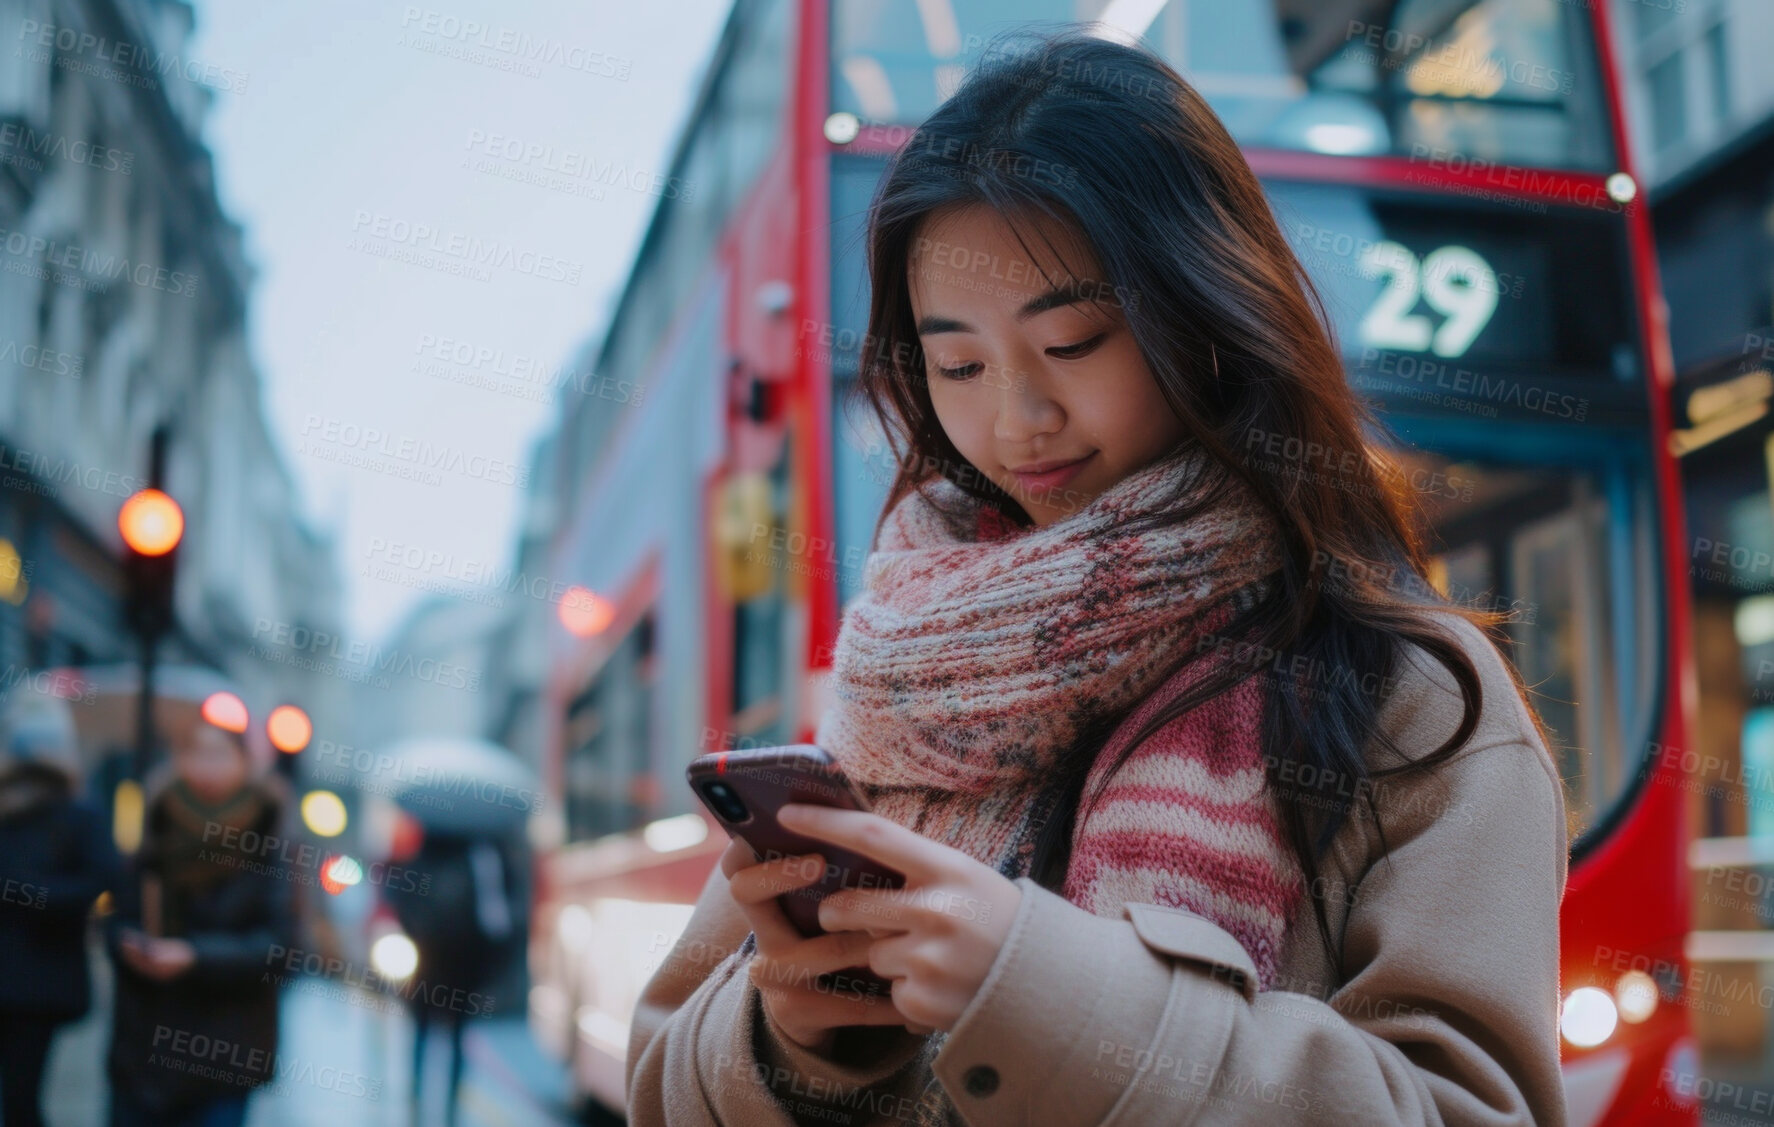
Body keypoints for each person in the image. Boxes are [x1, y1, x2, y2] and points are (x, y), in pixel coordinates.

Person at [628, 27, 1569, 1127]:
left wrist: (1050, 1000)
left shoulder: (1407, 690)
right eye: (959, 364)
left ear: (1209, 316)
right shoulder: (901, 673)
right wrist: (796, 1035)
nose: (1017, 419)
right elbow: (662, 1083)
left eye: (1074, 342)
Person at [106, 716, 294, 1127]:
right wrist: (131, 947)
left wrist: (196, 957)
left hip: (225, 1052)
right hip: (145, 1051)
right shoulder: (156, 820)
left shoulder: (270, 833)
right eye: (195, 753)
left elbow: (283, 948)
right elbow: (117, 914)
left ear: (244, 762)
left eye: (218, 754)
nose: (205, 767)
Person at [0, 696, 119, 1127]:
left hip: (39, 983)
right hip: (29, 975)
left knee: (20, 1098)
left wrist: (29, 893)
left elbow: (100, 882)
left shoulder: (79, 816)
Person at [384, 828, 513, 1127]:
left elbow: (403, 899)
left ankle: (416, 1101)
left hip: (431, 959)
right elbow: (495, 917)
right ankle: (448, 1109)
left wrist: (415, 932)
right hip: (459, 961)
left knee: (423, 1033)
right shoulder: (481, 856)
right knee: (453, 1036)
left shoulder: (427, 850)